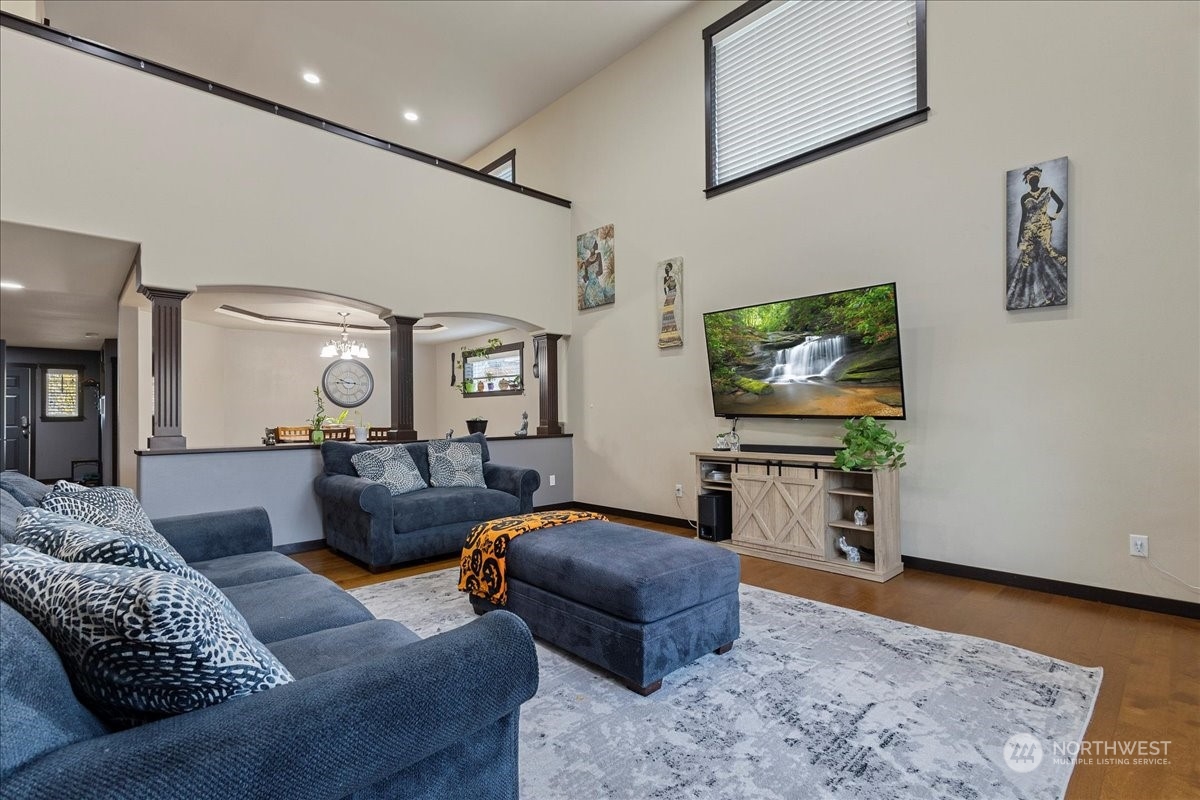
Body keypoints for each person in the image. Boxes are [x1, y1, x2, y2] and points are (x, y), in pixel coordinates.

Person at [1007, 165, 1067, 308]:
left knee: (1046, 251)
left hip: (1044, 227)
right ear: (1028, 181)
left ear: (1038, 179)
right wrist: (1018, 237)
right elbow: (1023, 217)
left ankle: (1053, 289)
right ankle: (1037, 293)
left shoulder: (1047, 191)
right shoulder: (1025, 197)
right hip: (1029, 229)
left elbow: (1060, 203)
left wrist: (1054, 217)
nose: (1034, 181)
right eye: (1031, 179)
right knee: (1029, 259)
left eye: (1036, 179)